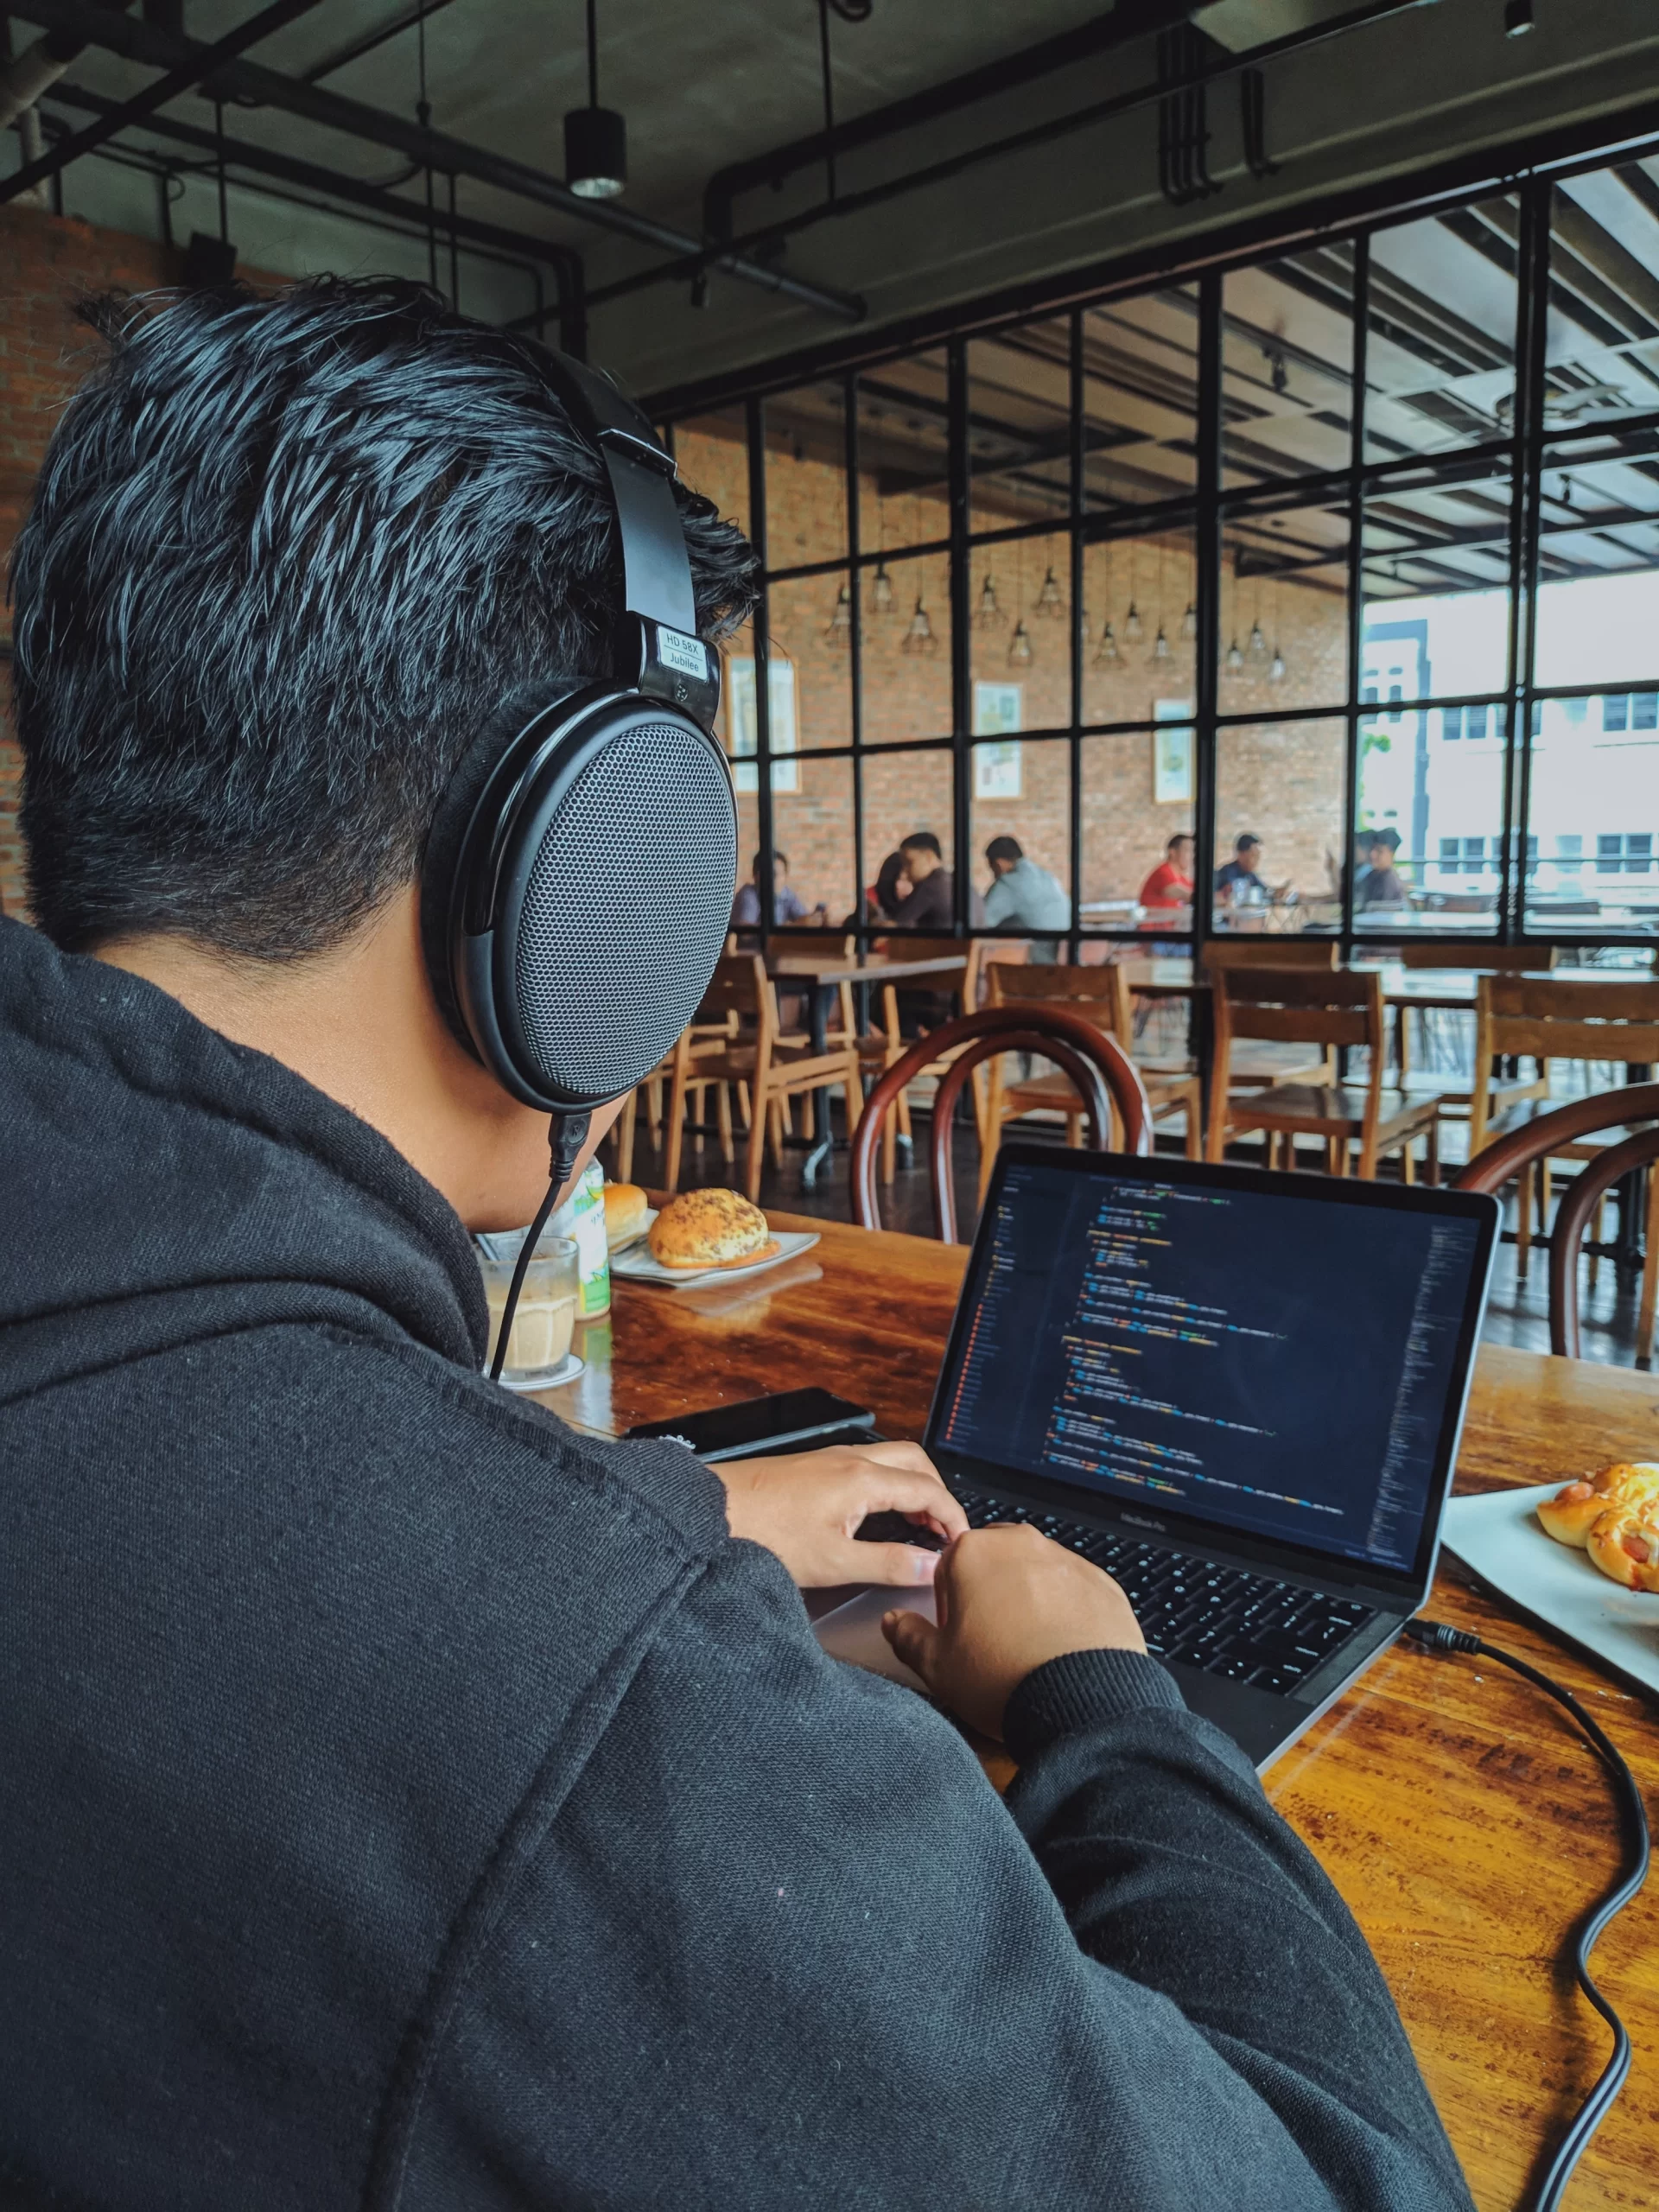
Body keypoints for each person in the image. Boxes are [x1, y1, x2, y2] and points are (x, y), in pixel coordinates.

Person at [0, 280, 1473, 2212]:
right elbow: (1353, 2181)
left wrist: (646, 1506)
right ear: (585, 872)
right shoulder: (587, 1733)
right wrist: (1104, 1696)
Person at [982, 835, 1070, 961]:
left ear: (998, 864)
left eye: (992, 869)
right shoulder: (1045, 876)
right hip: (1065, 955)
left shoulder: (1009, 883)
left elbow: (981, 921)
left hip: (1039, 960)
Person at [730, 847, 828, 931]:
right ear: (755, 875)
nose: (775, 879)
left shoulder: (786, 894)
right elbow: (744, 934)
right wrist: (793, 927)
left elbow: (801, 919)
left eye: (779, 874)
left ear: (786, 876)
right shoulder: (748, 895)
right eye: (770, 874)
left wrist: (814, 919)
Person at [1138, 831, 1195, 917]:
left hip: (1171, 928)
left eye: (1192, 851)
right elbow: (1185, 894)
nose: (1191, 856)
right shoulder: (1163, 872)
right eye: (1187, 851)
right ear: (1172, 852)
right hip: (1156, 929)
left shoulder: (1181, 877)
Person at [1357, 828, 1408, 911]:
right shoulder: (1372, 875)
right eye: (1372, 849)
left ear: (1392, 854)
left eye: (1379, 851)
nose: (1372, 854)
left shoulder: (1388, 881)